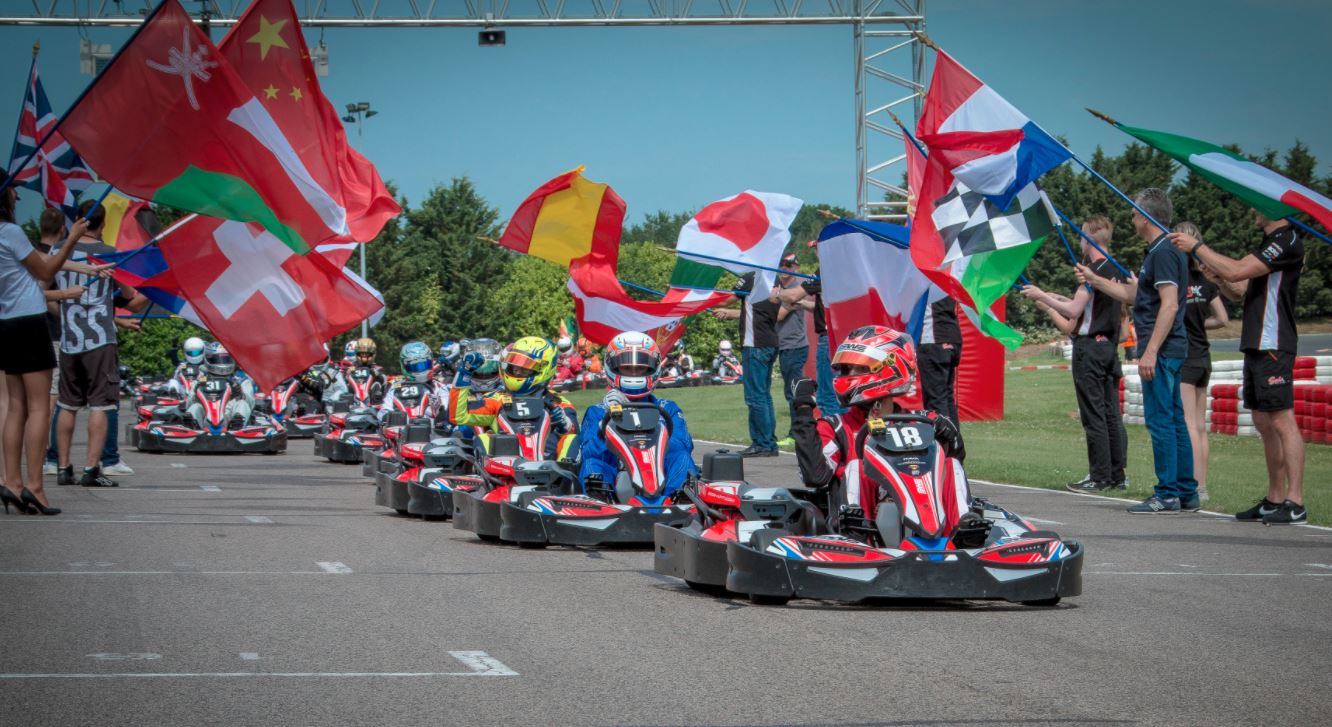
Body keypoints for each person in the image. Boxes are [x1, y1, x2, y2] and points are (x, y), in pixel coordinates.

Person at [1169, 209, 1306, 524]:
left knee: (1282, 420)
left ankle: (1295, 500)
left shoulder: (1287, 241)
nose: (1252, 212)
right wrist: (1216, 276)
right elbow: (1239, 287)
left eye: (1257, 206)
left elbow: (1238, 270)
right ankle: (1274, 498)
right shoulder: (1270, 241)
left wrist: (1197, 248)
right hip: (1256, 340)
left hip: (1274, 340)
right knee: (1262, 420)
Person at [789, 325, 968, 541]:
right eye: (843, 370)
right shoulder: (837, 426)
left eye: (852, 369)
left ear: (882, 369)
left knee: (950, 465)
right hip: (864, 532)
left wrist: (950, 436)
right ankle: (856, 533)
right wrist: (803, 411)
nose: (843, 377)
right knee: (858, 466)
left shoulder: (921, 422)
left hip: (921, 515)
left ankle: (963, 534)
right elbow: (815, 476)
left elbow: (955, 459)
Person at [1079, 189, 1197, 514]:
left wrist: (1150, 351)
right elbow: (1136, 295)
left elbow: (1169, 305)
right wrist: (1095, 280)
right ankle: (1185, 491)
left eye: (1133, 213)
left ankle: (1168, 492)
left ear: (1145, 215)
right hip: (1168, 346)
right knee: (1173, 418)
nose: (1131, 219)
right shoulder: (1160, 252)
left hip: (1161, 347)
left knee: (1161, 420)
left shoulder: (1163, 252)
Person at [1, 174, 95, 513]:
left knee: (15, 408)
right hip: (29, 321)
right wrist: (72, 238)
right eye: (11, 189)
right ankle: (35, 487)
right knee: (39, 407)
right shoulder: (9, 231)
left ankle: (11, 482)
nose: (15, 193)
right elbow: (46, 270)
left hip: (6, 322)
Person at [1022, 214, 1128, 493]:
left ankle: (1099, 475)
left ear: (1089, 238)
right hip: (1109, 346)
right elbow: (1083, 305)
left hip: (1090, 348)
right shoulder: (1116, 268)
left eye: (1082, 236)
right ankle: (1117, 474)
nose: (1080, 241)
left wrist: (1041, 297)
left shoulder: (1093, 271)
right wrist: (1054, 297)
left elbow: (1074, 312)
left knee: (1093, 414)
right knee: (1109, 413)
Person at [53, 199, 148, 489]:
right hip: (99, 339)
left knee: (66, 405)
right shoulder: (108, 255)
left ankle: (62, 466)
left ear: (79, 220)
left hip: (69, 338)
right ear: (103, 223)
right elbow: (129, 294)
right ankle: (91, 468)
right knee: (100, 406)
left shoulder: (60, 251)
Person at [578, 331, 698, 498]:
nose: (633, 373)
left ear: (653, 368)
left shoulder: (667, 408)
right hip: (617, 475)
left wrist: (657, 432)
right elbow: (588, 453)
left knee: (681, 458)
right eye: (627, 368)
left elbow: (683, 445)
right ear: (612, 367)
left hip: (658, 472)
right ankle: (599, 504)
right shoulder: (597, 412)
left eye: (640, 368)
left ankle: (681, 502)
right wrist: (606, 424)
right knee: (593, 463)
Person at [447, 336, 578, 458]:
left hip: (550, 467)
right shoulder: (496, 399)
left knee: (571, 440)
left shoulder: (558, 402)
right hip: (505, 467)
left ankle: (569, 482)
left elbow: (576, 430)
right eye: (515, 367)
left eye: (524, 369)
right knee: (484, 438)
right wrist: (463, 374)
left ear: (544, 370)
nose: (517, 372)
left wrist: (564, 423)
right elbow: (458, 416)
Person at [1173, 222, 1228, 503]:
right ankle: (1202, 485)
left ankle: (1193, 485)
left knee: (1188, 424)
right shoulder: (1206, 283)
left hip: (1184, 357)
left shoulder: (1177, 284)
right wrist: (1199, 323)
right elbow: (1222, 319)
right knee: (1200, 425)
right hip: (1203, 357)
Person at [712, 270, 780, 457]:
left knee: (755, 396)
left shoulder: (753, 277)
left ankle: (762, 443)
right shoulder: (775, 278)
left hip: (754, 344)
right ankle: (769, 442)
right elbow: (751, 310)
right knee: (764, 396)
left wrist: (694, 298)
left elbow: (727, 299)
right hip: (769, 342)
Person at [775, 262, 843, 416]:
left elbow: (792, 296)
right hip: (841, 337)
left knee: (826, 395)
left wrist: (775, 293)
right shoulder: (843, 268)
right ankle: (846, 433)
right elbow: (822, 307)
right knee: (840, 390)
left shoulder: (825, 268)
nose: (816, 253)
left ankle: (831, 436)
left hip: (827, 338)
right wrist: (803, 303)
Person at [768, 253, 810, 446]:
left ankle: (797, 432)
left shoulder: (792, 290)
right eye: (781, 265)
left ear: (795, 268)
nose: (784, 269)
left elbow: (778, 315)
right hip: (786, 345)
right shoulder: (783, 289)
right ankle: (798, 431)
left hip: (794, 345)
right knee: (791, 391)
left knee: (793, 392)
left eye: (789, 266)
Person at [185, 343, 256, 429]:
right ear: (209, 359)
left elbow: (251, 403)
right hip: (206, 418)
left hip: (229, 416)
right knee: (195, 407)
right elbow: (188, 405)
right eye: (217, 359)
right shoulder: (201, 380)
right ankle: (192, 427)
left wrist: (240, 394)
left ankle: (237, 426)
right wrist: (196, 395)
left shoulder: (241, 380)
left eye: (226, 359)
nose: (222, 363)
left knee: (242, 404)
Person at [377, 341, 440, 424]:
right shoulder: (396, 387)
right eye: (414, 366)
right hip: (402, 431)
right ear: (404, 366)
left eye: (424, 364)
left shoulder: (438, 387)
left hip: (433, 432)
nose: (420, 370)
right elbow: (383, 413)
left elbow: (447, 410)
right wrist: (389, 417)